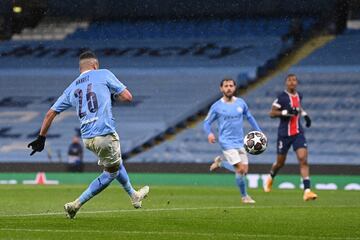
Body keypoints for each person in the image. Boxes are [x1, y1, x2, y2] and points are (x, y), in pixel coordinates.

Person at [28, 51, 149, 218]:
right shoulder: (103, 73)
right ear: (95, 65)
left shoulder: (72, 86)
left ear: (80, 69)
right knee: (111, 172)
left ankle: (134, 195)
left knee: (115, 162)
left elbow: (50, 113)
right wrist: (113, 95)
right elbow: (128, 97)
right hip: (104, 134)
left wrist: (41, 138)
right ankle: (75, 204)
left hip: (87, 138)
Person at [204, 78, 262, 204]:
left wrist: (259, 131)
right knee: (240, 169)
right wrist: (209, 134)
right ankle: (245, 197)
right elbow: (207, 122)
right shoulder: (217, 106)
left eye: (231, 85)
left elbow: (250, 117)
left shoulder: (241, 103)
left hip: (240, 142)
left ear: (234, 88)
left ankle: (220, 163)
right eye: (226, 86)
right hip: (226, 142)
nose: (228, 88)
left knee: (243, 171)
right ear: (221, 88)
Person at [263, 74, 317, 201]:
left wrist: (305, 115)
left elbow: (298, 107)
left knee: (303, 159)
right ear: (286, 83)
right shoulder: (281, 98)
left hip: (298, 133)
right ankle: (271, 176)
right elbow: (271, 113)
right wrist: (285, 112)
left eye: (294, 80)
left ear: (297, 83)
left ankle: (307, 191)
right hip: (284, 135)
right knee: (280, 163)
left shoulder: (299, 95)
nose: (292, 82)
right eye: (289, 80)